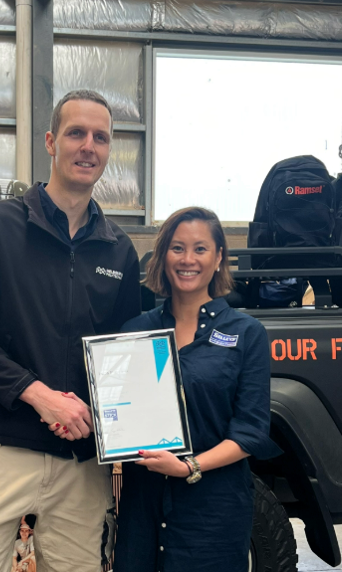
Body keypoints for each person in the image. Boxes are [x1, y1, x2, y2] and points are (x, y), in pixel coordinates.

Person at [0, 89, 141, 572]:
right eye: (76, 133)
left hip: (80, 461)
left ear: (109, 151)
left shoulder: (119, 251)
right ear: (51, 142)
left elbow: (124, 356)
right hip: (2, 446)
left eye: (101, 137)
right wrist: (38, 395)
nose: (88, 146)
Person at [112, 207, 282, 572]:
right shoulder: (135, 332)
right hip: (142, 511)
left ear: (219, 256)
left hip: (213, 515)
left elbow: (251, 432)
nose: (188, 260)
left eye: (200, 249)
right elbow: (120, 418)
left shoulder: (245, 333)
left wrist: (188, 466)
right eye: (177, 248)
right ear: (163, 256)